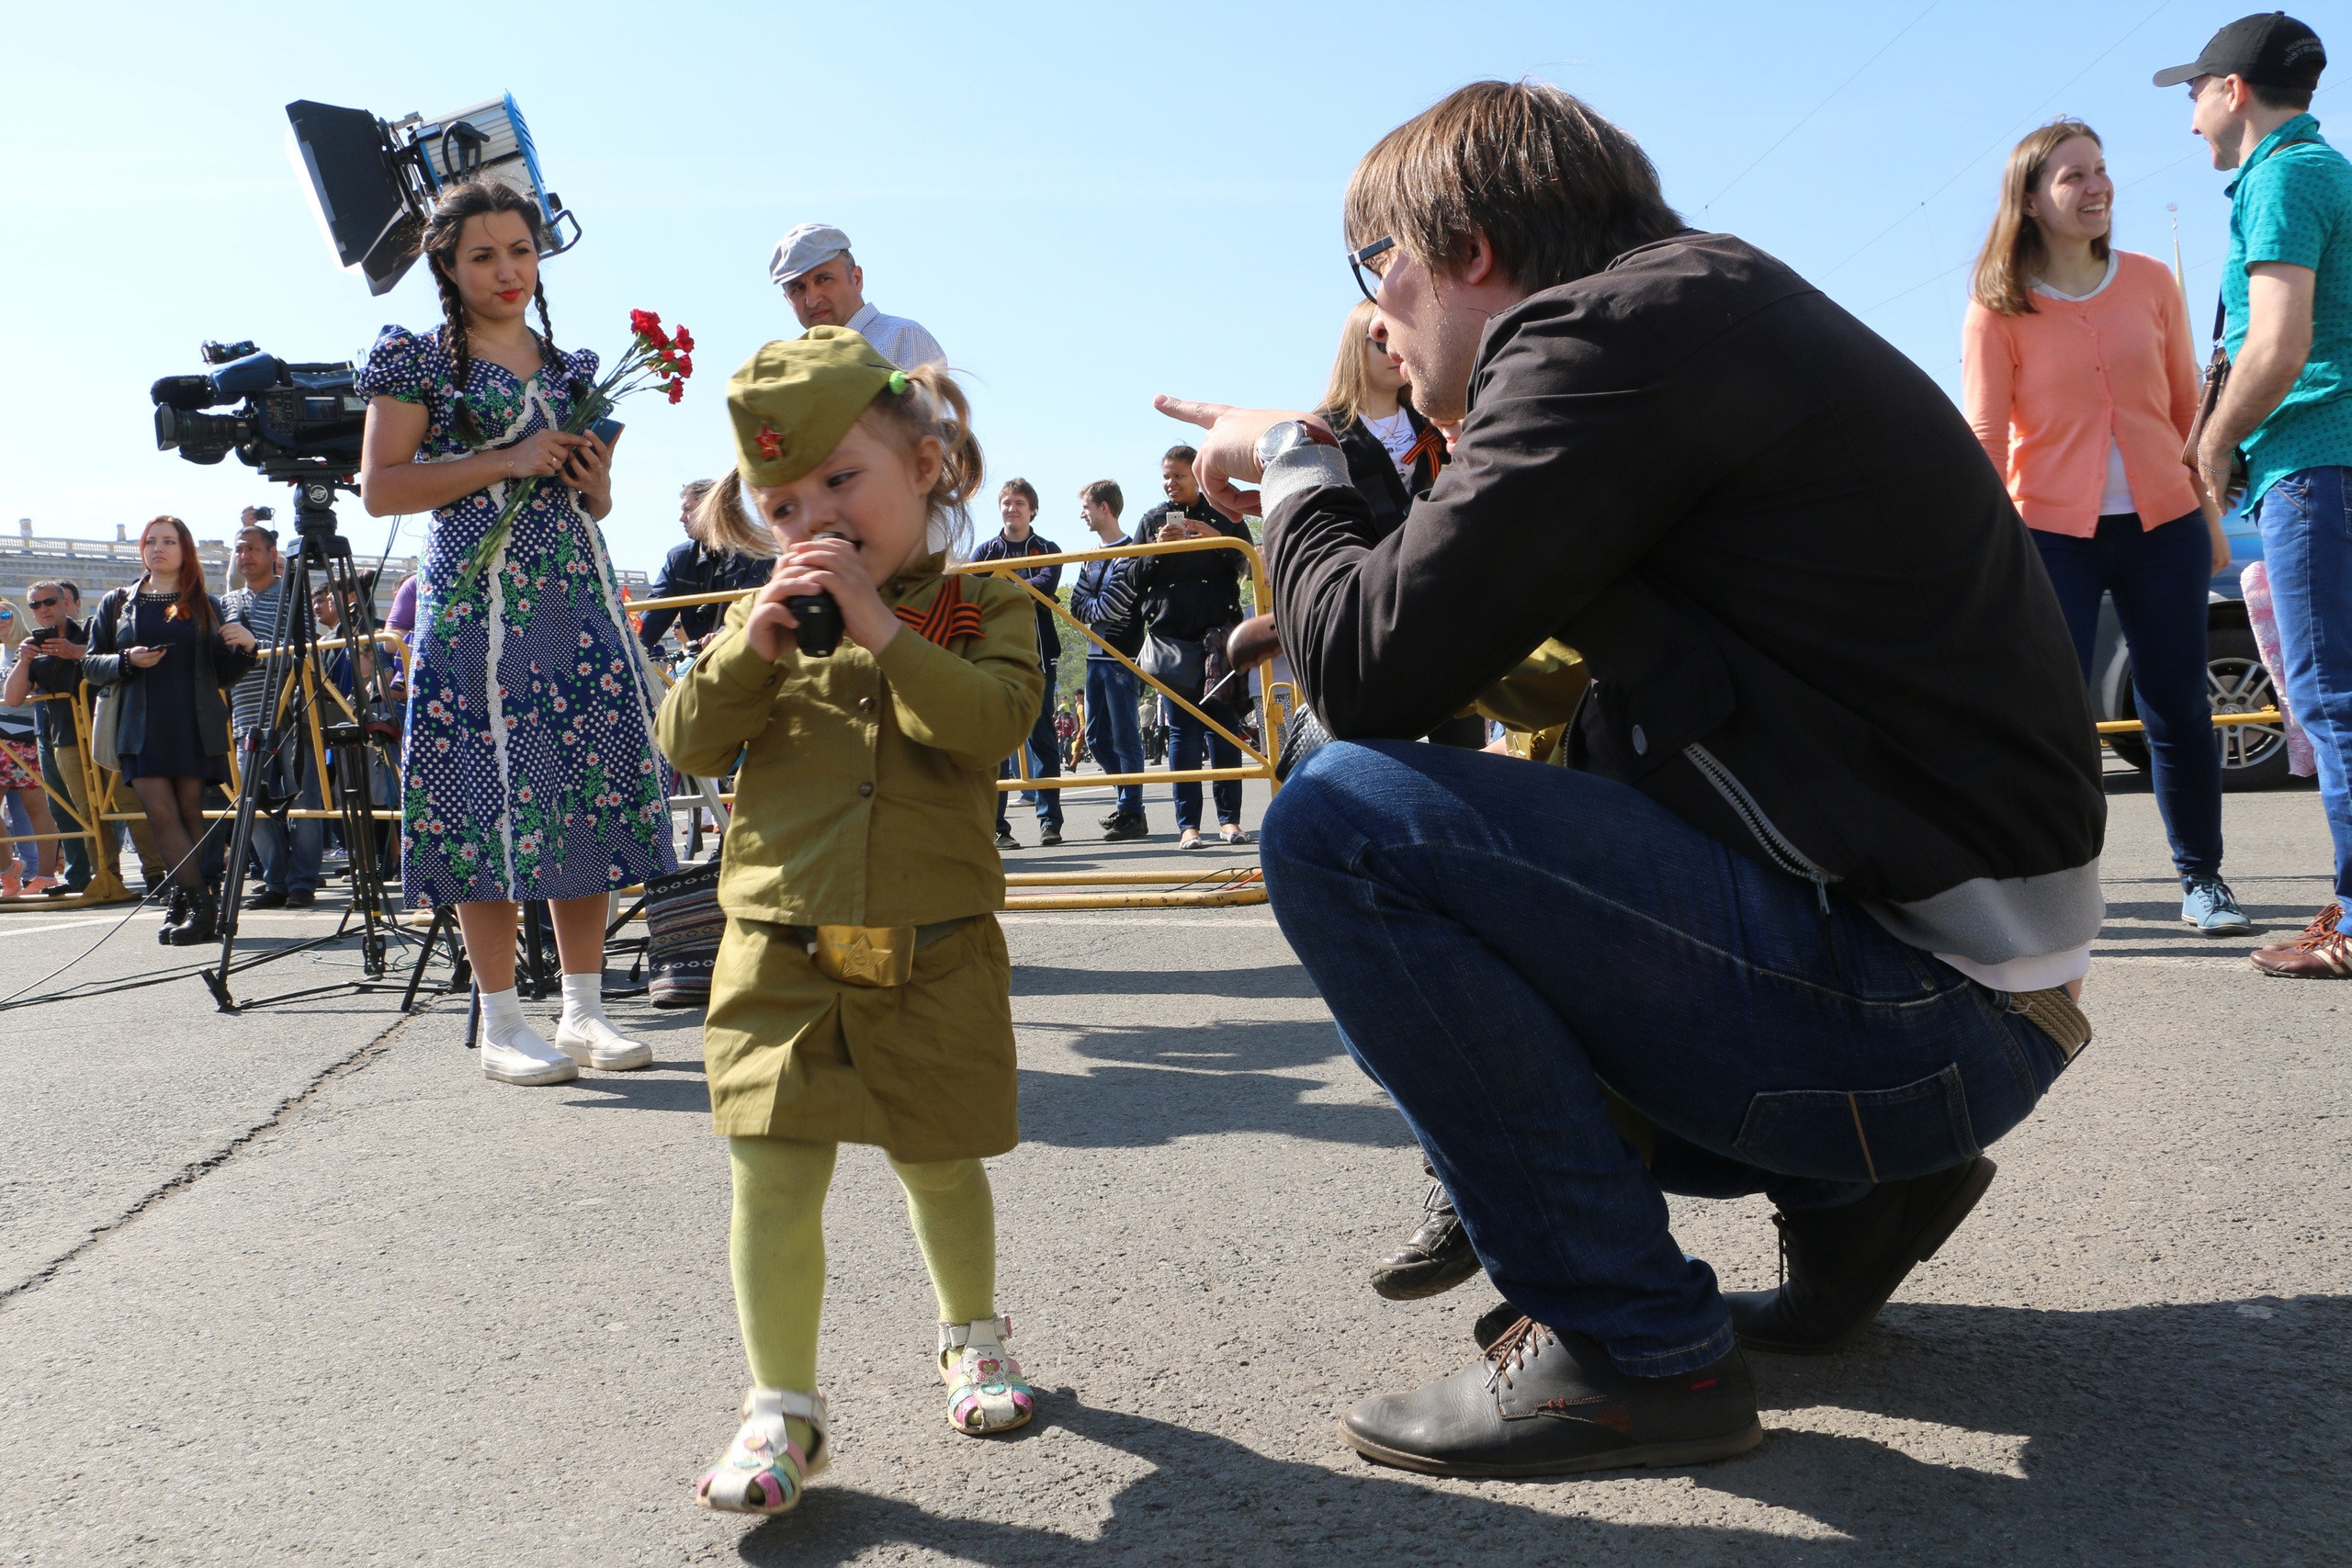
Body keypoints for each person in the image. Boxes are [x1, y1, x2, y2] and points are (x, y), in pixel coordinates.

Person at [1163, 80, 2104, 1479]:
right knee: (1414, 779)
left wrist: (1300, 461)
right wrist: (1344, 518)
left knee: (1343, 820)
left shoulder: (1605, 334)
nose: (1376, 317)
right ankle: (1856, 1200)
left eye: (1382, 269)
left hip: (1909, 1023)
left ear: (1470, 248)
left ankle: (1627, 1349)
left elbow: (1370, 674)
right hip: (1965, 1004)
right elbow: (1436, 620)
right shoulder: (1689, 316)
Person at [656, 328, 1043, 1517]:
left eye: (840, 481)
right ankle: (782, 1406)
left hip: (932, 953)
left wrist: (881, 622)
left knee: (940, 1159)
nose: (813, 515)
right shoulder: (760, 619)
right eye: (783, 501)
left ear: (928, 464)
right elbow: (686, 740)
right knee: (768, 1175)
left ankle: (972, 1333)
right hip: (779, 949)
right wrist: (743, 648)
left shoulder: (986, 603)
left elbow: (990, 724)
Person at [356, 178, 674, 1087]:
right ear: (448, 268)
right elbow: (381, 486)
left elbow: (599, 501)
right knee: (479, 793)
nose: (508, 270)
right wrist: (506, 459)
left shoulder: (572, 368)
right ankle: (501, 1022)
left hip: (573, 592)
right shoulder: (418, 361)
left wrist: (588, 474)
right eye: (485, 255)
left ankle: (584, 1011)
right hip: (473, 604)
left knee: (589, 782)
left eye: (521, 251)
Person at [1962, 120, 2247, 937]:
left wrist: (2210, 514)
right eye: (2073, 177)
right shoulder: (1997, 308)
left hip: (2165, 527)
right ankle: (2054, 888)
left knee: (2178, 709)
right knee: (2048, 719)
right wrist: (1990, 552)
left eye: (2101, 171)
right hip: (2050, 536)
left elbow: (2190, 409)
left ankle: (2204, 880)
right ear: (2031, 198)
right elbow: (1984, 438)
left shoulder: (2153, 283)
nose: (2097, 188)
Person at [2157, 15, 2352, 977]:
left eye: (2194, 94)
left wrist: (2214, 445)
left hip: (2317, 464)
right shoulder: (2323, 172)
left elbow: (2276, 346)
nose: (2189, 119)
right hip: (2330, 460)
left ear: (2231, 90)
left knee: (2332, 701)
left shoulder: (2280, 176)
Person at [82, 516, 260, 942]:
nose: (158, 548)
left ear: (185, 550)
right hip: (140, 723)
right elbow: (91, 664)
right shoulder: (118, 601)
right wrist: (127, 661)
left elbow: (223, 673)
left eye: (169, 541)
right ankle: (202, 906)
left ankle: (188, 899)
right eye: (151, 541)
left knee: (190, 813)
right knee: (161, 811)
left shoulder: (205, 602)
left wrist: (248, 649)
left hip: (193, 719)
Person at [1317, 299, 1484, 753]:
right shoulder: (1325, 430)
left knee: (1461, 733)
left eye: (1399, 337)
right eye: (1380, 340)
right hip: (1371, 591)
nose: (1393, 352)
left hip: (1441, 582)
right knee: (1379, 743)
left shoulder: (1434, 418)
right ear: (1357, 346)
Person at [1136, 446, 1250, 848]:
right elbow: (1132, 575)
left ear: (1198, 475)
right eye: (1166, 476)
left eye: (1179, 475)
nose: (1171, 483)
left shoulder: (1225, 513)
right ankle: (1189, 827)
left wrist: (1217, 539)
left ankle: (1231, 822)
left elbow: (1246, 563)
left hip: (1219, 641)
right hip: (1172, 641)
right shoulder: (1152, 519)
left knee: (1225, 732)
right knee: (1182, 737)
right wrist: (1155, 550)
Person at [221, 516, 325, 910]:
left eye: (251, 548)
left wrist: (254, 644)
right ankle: (275, 881)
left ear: (271, 554)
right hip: (246, 713)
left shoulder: (292, 594)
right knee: (250, 802)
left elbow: (307, 653)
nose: (244, 555)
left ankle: (302, 882)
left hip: (293, 715)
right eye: (239, 549)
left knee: (306, 802)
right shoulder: (228, 603)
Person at [969, 478, 1065, 848]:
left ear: (1033, 510)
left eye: (1020, 503)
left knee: (1042, 739)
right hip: (992, 659)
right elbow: (969, 593)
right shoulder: (985, 550)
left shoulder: (1048, 548)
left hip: (1039, 656)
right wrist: (1016, 588)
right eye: (1007, 502)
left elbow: (1045, 583)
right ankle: (997, 827)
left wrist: (999, 586)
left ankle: (1049, 822)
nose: (1012, 509)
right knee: (999, 742)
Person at [1067, 479, 1149, 840]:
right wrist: (1093, 609)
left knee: (1126, 737)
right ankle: (1127, 803)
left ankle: (1132, 810)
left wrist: (1092, 609)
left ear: (1104, 507)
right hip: (1094, 660)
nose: (1081, 513)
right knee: (1097, 739)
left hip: (1122, 659)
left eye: (1086, 506)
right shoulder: (1088, 557)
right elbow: (1075, 606)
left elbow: (1115, 607)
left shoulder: (1131, 552)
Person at [2, 581, 96, 893]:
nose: (43, 609)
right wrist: (26, 660)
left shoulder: (88, 634)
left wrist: (73, 652)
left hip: (71, 733)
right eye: (36, 605)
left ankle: (111, 873)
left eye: (50, 602)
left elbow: (107, 663)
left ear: (66, 603)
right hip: (42, 736)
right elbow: (13, 697)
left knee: (86, 807)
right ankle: (69, 875)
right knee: (61, 808)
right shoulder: (30, 648)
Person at [769, 223, 945, 370]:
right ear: (787, 300)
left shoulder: (902, 337)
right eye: (798, 288)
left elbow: (922, 412)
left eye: (824, 279)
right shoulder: (794, 369)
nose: (812, 300)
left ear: (856, 279)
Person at [638, 478, 775, 660]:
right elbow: (656, 609)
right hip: (703, 659)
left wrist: (722, 635)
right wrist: (635, 644)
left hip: (748, 656)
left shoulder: (759, 554)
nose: (681, 518)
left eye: (688, 510)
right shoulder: (679, 559)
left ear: (712, 508)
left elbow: (749, 607)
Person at [0, 596, 62, 895]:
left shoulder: (31, 646)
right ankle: (8, 869)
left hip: (27, 737)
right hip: (1, 739)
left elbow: (25, 693)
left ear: (15, 615)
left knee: (37, 809)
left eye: (4, 614)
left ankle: (45, 875)